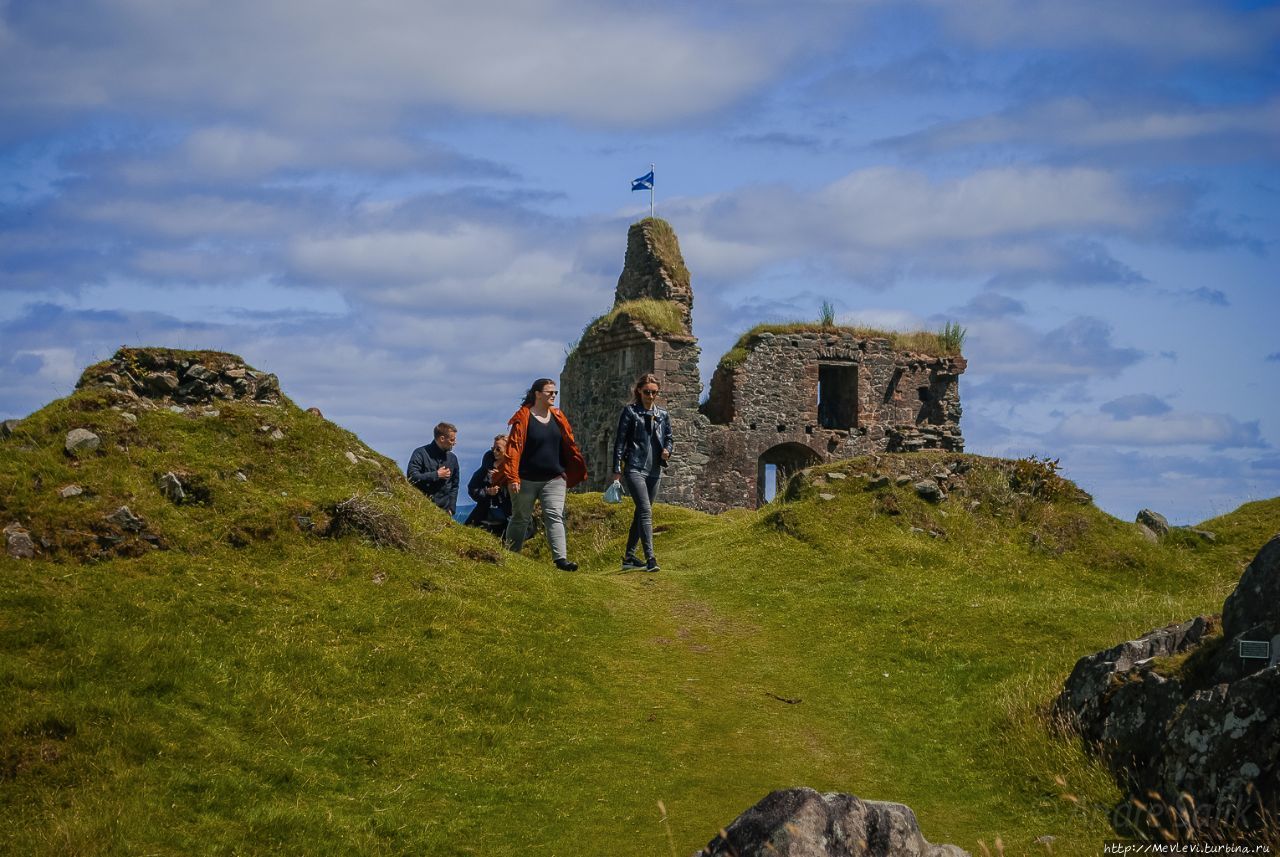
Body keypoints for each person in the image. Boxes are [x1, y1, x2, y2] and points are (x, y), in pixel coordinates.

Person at [499, 378, 587, 571]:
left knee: (555, 515)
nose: (554, 395)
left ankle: (561, 560)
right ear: (537, 394)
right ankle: (511, 556)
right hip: (525, 479)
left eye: (555, 392)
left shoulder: (558, 416)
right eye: (549, 392)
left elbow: (569, 443)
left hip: (554, 478)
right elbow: (513, 449)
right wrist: (513, 478)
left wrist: (567, 471)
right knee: (520, 518)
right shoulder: (523, 418)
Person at [612, 373, 672, 572]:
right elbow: (620, 442)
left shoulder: (662, 414)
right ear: (639, 391)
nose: (651, 396)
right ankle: (651, 558)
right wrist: (616, 470)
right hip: (635, 468)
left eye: (654, 392)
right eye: (647, 392)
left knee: (640, 512)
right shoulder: (630, 412)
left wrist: (667, 450)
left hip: (654, 470)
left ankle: (629, 557)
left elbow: (669, 438)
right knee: (646, 510)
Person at [464, 435, 514, 536]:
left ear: (508, 449)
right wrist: (487, 492)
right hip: (485, 513)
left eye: (498, 449)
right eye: (493, 448)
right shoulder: (485, 468)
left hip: (509, 514)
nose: (494, 452)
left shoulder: (514, 469)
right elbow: (472, 488)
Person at [406, 422, 460, 515]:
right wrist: (436, 475)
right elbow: (412, 477)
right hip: (421, 508)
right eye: (452, 440)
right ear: (442, 439)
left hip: (444, 512)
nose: (455, 443)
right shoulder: (420, 453)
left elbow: (454, 485)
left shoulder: (453, 459)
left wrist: (451, 509)